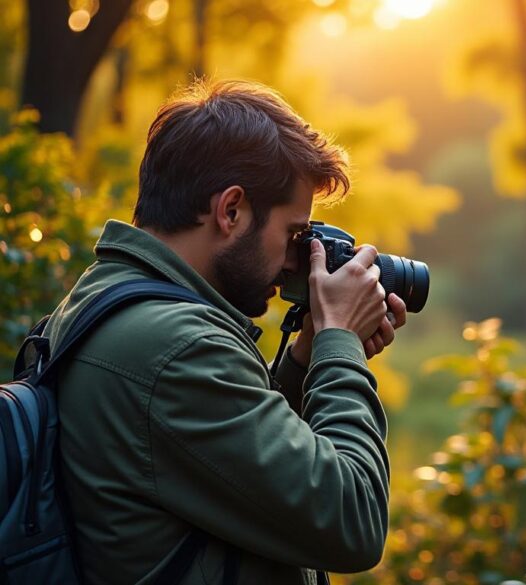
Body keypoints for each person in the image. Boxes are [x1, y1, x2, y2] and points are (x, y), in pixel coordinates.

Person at [41, 80, 402, 584]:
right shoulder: (176, 348)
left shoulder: (113, 299)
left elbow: (231, 462)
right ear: (230, 211)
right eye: (295, 233)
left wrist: (309, 354)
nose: (296, 259)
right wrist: (341, 344)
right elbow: (352, 519)